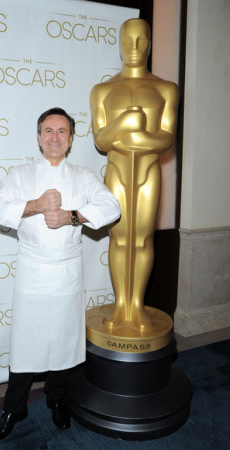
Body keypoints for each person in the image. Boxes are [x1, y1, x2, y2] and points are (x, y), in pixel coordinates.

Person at [0, 107, 120, 441]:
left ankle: (56, 398)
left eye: (62, 131)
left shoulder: (83, 176)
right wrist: (36, 205)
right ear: (38, 136)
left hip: (67, 270)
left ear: (71, 139)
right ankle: (13, 408)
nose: (55, 137)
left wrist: (72, 216)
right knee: (25, 345)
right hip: (32, 269)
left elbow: (111, 206)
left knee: (63, 341)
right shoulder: (20, 174)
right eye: (48, 130)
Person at [90, 19, 179, 332]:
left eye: (141, 40)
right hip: (116, 172)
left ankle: (136, 306)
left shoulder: (166, 89)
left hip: (148, 173)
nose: (134, 47)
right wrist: (127, 121)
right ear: (119, 42)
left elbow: (166, 139)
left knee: (142, 240)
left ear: (151, 42)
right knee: (118, 238)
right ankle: (120, 305)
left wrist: (133, 136)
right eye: (128, 40)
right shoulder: (103, 90)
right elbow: (101, 140)